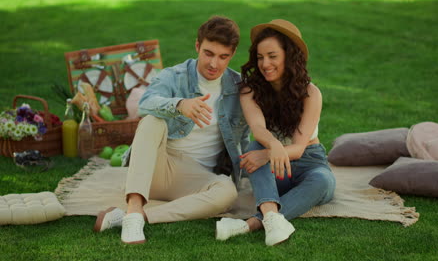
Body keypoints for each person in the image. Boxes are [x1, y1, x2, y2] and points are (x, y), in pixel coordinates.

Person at [93, 16, 250, 244]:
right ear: (197, 46)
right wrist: (179, 105)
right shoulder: (174, 75)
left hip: (195, 179)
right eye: (208, 53)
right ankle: (135, 208)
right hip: (157, 167)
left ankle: (134, 218)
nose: (214, 64)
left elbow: (244, 138)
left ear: (232, 54)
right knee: (151, 121)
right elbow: (144, 103)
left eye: (223, 56)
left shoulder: (239, 87)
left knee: (228, 191)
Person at [215, 19, 336, 246]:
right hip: (274, 168)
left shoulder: (311, 93)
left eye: (272, 56)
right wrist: (273, 147)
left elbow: (299, 148)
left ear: (289, 56)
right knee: (254, 147)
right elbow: (258, 128)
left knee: (323, 182)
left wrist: (267, 154)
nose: (265, 64)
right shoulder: (250, 90)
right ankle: (272, 216)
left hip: (310, 161)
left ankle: (252, 223)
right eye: (260, 57)